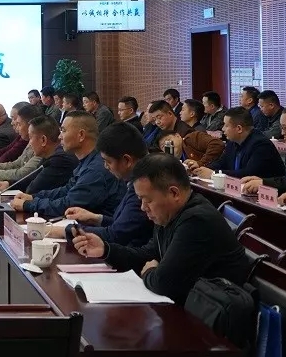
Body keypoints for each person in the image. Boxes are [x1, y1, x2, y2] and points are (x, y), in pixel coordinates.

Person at [73, 154, 251, 305]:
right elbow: (147, 254)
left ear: (174, 193)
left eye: (148, 200)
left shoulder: (197, 220)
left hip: (212, 318)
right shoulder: (169, 213)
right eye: (140, 200)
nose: (143, 207)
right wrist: (106, 250)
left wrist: (149, 272)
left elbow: (163, 283)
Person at [50, 122, 152, 247]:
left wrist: (63, 231)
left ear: (127, 160)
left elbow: (116, 235)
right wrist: (95, 218)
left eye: (108, 162)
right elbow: (123, 224)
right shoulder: (136, 179)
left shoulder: (146, 187)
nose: (105, 167)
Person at [9, 111, 124, 218]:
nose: (59, 136)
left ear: (81, 135)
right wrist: (33, 197)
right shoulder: (87, 161)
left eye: (63, 131)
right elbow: (67, 190)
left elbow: (69, 204)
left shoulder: (95, 169)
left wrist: (29, 204)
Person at [186, 107, 285, 180]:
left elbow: (247, 173)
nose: (222, 129)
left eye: (226, 125)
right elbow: (221, 163)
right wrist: (201, 168)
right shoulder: (233, 142)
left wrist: (213, 174)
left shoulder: (261, 145)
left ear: (239, 128)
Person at [0, 115, 75, 194]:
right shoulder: (48, 155)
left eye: (30, 138)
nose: (29, 144)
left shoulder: (59, 160)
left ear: (43, 140)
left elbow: (32, 189)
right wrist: (8, 184)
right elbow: (31, 178)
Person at [0, 104, 42, 182]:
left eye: (19, 124)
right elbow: (16, 164)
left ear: (30, 126)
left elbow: (22, 173)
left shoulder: (40, 146)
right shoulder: (29, 140)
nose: (12, 123)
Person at [158, 129, 224, 168]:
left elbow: (217, 144)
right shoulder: (172, 161)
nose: (168, 146)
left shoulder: (192, 138)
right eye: (163, 146)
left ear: (177, 136)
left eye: (168, 140)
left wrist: (200, 163)